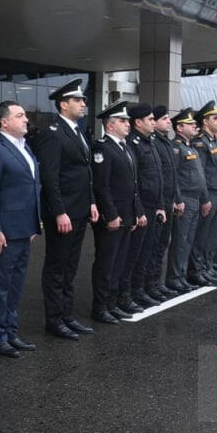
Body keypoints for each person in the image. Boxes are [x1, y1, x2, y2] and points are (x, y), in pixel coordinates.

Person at [31, 78, 99, 341]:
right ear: (63, 104)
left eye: (83, 100)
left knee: (71, 266)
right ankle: (54, 320)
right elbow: (50, 176)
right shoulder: (51, 132)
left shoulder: (78, 130)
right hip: (64, 213)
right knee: (57, 267)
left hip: (80, 209)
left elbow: (85, 171)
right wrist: (59, 211)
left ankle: (67, 315)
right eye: (78, 100)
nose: (83, 104)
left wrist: (92, 201)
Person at [0, 101, 42, 357]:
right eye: (19, 116)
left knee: (16, 284)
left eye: (25, 115)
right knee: (0, 286)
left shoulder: (24, 147)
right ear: (4, 122)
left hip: (23, 229)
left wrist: (33, 224)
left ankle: (10, 331)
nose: (26, 119)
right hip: (4, 232)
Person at [90, 101, 146, 322]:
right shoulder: (102, 148)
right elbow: (101, 186)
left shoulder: (126, 147)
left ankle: (112, 304)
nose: (128, 124)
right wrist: (111, 215)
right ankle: (100, 307)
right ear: (109, 125)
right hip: (112, 218)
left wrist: (137, 212)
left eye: (127, 121)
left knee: (119, 263)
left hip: (127, 215)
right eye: (122, 121)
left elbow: (133, 185)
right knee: (106, 264)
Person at [123, 103, 167, 307]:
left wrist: (159, 205)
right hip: (141, 208)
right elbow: (135, 182)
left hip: (152, 206)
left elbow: (157, 177)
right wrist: (139, 210)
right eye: (150, 119)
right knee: (134, 255)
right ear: (138, 122)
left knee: (147, 252)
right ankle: (127, 294)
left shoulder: (150, 142)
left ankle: (139, 291)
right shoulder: (133, 143)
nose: (153, 122)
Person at [168, 108, 209, 293]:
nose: (194, 127)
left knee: (188, 240)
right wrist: (177, 199)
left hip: (194, 198)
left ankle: (182, 275)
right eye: (190, 124)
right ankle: (174, 277)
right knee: (180, 240)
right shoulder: (176, 147)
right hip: (184, 198)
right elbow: (174, 176)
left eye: (194, 124)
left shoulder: (190, 146)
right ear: (180, 127)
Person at [190, 101, 217, 285]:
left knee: (213, 234)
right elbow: (201, 173)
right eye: (215, 118)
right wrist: (205, 199)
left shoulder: (215, 141)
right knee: (202, 235)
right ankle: (197, 270)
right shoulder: (201, 143)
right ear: (205, 122)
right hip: (209, 195)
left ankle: (208, 265)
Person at [146, 106, 181, 300]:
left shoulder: (165, 143)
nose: (168, 122)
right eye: (164, 119)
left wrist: (176, 199)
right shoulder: (154, 143)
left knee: (161, 246)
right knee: (152, 247)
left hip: (167, 201)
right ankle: (148, 286)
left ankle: (155, 284)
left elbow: (171, 175)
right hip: (157, 202)